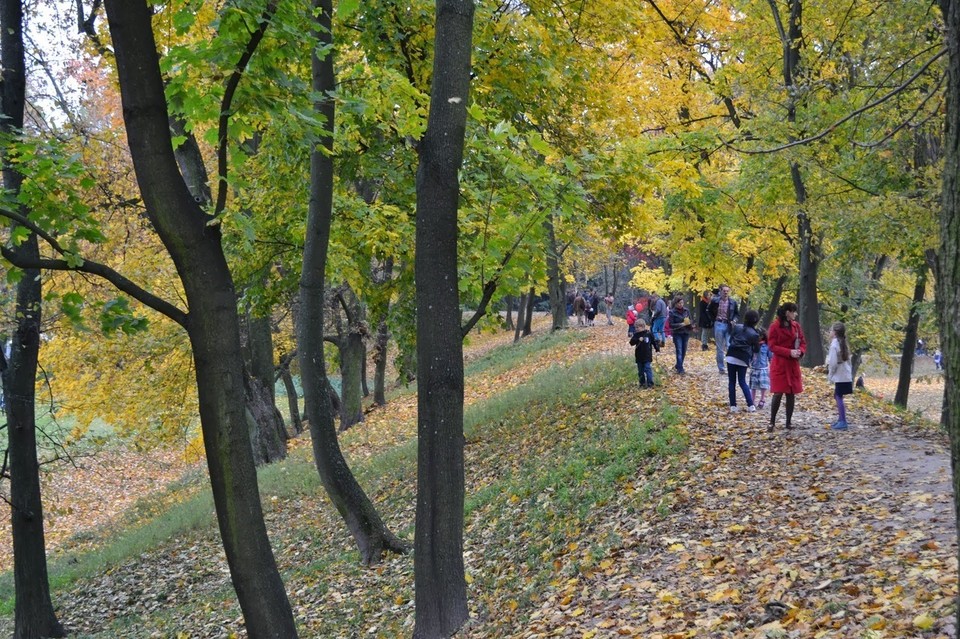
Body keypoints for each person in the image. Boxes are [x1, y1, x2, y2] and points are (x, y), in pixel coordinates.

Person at [767, 302, 805, 431]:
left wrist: (800, 351)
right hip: (780, 364)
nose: (795, 314)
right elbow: (772, 346)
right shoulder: (775, 326)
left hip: (792, 364)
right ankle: (772, 422)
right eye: (793, 311)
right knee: (778, 393)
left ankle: (788, 422)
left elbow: (803, 341)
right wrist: (789, 352)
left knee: (791, 393)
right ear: (787, 312)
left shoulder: (796, 326)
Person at [725, 309, 760, 412]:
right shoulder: (754, 334)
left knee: (731, 381)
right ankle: (751, 405)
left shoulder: (737, 327)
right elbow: (756, 349)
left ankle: (733, 406)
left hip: (731, 356)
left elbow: (731, 340)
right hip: (743, 358)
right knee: (742, 381)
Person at [827, 321, 853, 430]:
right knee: (837, 395)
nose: (830, 332)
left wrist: (830, 375)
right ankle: (840, 419)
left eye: (831, 330)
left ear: (835, 332)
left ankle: (843, 421)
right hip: (845, 375)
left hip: (840, 376)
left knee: (838, 396)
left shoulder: (834, 345)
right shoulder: (843, 343)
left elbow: (833, 363)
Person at [708, 285, 740, 373]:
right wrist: (713, 320)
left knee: (729, 346)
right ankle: (721, 368)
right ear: (720, 291)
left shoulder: (733, 302)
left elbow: (737, 314)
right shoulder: (715, 301)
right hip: (718, 324)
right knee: (720, 347)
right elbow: (709, 310)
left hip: (729, 325)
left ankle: (731, 366)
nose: (726, 292)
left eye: (727, 291)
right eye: (724, 291)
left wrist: (734, 320)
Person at [630, 319, 659, 388]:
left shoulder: (648, 334)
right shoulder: (636, 335)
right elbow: (631, 343)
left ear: (643, 326)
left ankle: (650, 383)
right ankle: (642, 383)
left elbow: (654, 341)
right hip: (639, 356)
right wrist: (637, 340)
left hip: (647, 355)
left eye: (638, 327)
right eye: (635, 327)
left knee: (647, 368)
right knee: (640, 371)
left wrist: (656, 348)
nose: (636, 329)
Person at [668, 296, 692, 374]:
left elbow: (690, 320)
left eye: (682, 303)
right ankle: (680, 368)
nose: (681, 304)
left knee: (684, 350)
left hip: (686, 332)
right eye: (679, 303)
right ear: (676, 303)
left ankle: (678, 364)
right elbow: (671, 324)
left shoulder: (686, 311)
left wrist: (690, 324)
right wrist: (680, 324)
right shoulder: (672, 312)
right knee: (679, 350)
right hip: (677, 333)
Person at [749, 328, 771, 409]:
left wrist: (772, 366)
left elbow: (770, 357)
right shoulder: (752, 346)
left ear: (763, 336)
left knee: (763, 385)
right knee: (753, 386)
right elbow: (750, 356)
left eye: (760, 336)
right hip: (754, 368)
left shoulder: (766, 346)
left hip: (763, 369)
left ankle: (762, 399)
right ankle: (752, 400)